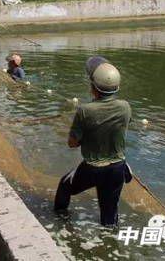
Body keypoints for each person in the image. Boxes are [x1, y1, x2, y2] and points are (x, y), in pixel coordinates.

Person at [53, 56, 132, 227]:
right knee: (109, 216)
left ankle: (60, 225)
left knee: (65, 186)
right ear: (116, 87)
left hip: (93, 168)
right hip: (117, 168)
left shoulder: (85, 111)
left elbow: (72, 143)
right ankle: (110, 245)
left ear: (93, 88)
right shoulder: (125, 106)